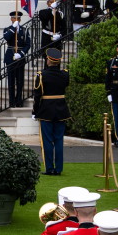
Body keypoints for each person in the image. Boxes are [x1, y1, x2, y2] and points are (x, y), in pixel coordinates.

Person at [33, 48, 71, 176]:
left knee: (47, 140)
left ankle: (50, 168)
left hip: (46, 110)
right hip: (61, 110)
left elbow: (37, 95)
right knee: (59, 140)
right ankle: (58, 169)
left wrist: (35, 111)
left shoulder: (41, 75)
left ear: (48, 60)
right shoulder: (65, 74)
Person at [2, 11, 30, 108]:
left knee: (20, 80)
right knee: (11, 80)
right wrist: (14, 28)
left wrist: (22, 54)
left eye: (18, 18)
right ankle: (11, 101)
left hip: (20, 57)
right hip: (10, 57)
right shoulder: (7, 29)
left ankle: (19, 100)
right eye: (14, 18)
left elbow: (28, 44)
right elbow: (7, 37)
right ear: (11, 19)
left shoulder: (24, 30)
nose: (16, 20)